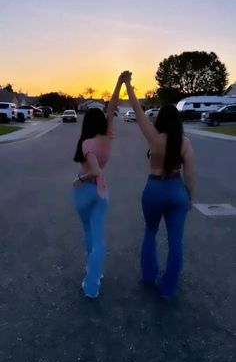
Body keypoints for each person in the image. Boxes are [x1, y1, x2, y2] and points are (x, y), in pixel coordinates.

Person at [122, 71, 194, 299]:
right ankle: (168, 288)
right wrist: (189, 197)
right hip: (176, 190)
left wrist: (127, 84)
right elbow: (190, 174)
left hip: (154, 190)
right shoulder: (185, 143)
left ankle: (148, 275)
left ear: (160, 119)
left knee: (150, 232)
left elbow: (137, 110)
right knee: (176, 241)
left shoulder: (153, 137)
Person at [72, 75, 123, 298]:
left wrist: (80, 180)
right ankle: (95, 274)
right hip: (101, 192)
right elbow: (111, 109)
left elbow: (94, 171)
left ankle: (91, 285)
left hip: (85, 189)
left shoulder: (87, 143)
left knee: (88, 233)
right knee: (97, 236)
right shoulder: (107, 137)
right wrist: (120, 83)